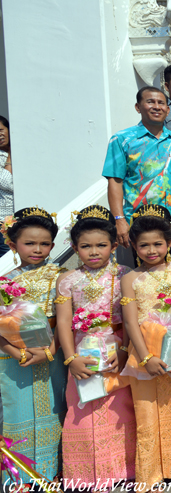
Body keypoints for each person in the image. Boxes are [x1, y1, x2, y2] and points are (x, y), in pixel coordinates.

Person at [54, 205, 136, 488]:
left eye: (101, 245)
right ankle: (85, 475)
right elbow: (63, 322)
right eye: (86, 246)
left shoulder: (126, 275)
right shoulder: (67, 280)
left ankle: (122, 470)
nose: (94, 252)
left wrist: (125, 351)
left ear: (114, 245)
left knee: (119, 409)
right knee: (82, 408)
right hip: (81, 352)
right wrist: (70, 359)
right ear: (75, 248)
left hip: (115, 351)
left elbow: (130, 318)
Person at [121, 204, 171, 490]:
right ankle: (150, 471)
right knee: (146, 411)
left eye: (158, 244)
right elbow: (130, 322)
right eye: (144, 245)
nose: (151, 250)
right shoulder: (130, 278)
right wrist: (145, 359)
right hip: (143, 354)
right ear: (133, 245)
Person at [0, 207, 66, 484]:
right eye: (29, 243)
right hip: (14, 360)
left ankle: (53, 474)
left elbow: (67, 320)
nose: (37, 249)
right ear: (13, 245)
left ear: (53, 244)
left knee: (56, 410)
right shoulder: (5, 281)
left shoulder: (61, 276)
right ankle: (19, 480)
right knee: (17, 412)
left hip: (52, 356)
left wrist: (51, 350)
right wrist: (15, 351)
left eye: (44, 243)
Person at [103, 86, 171, 249]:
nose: (156, 106)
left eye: (161, 103)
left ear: (167, 110)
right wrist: (119, 220)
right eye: (150, 102)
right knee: (146, 273)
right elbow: (115, 181)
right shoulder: (122, 140)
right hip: (141, 225)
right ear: (138, 107)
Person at [0, 117, 12, 257]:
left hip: (20, 219)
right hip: (3, 220)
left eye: (1, 130)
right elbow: (6, 183)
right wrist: (10, 154)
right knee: (7, 258)